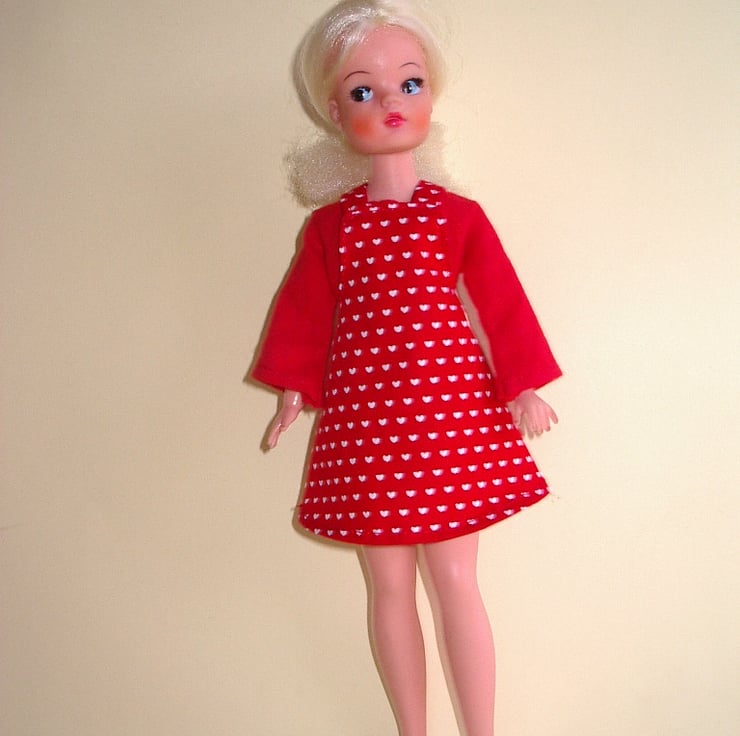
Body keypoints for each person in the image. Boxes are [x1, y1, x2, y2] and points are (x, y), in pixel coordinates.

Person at [251, 2, 561, 733]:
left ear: (430, 96)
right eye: (364, 90)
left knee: (455, 581)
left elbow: (501, 302)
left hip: (449, 418)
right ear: (336, 112)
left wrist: (523, 383)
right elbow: (306, 310)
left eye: (409, 83)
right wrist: (294, 384)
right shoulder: (331, 227)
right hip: (365, 427)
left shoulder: (457, 216)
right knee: (388, 587)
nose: (391, 102)